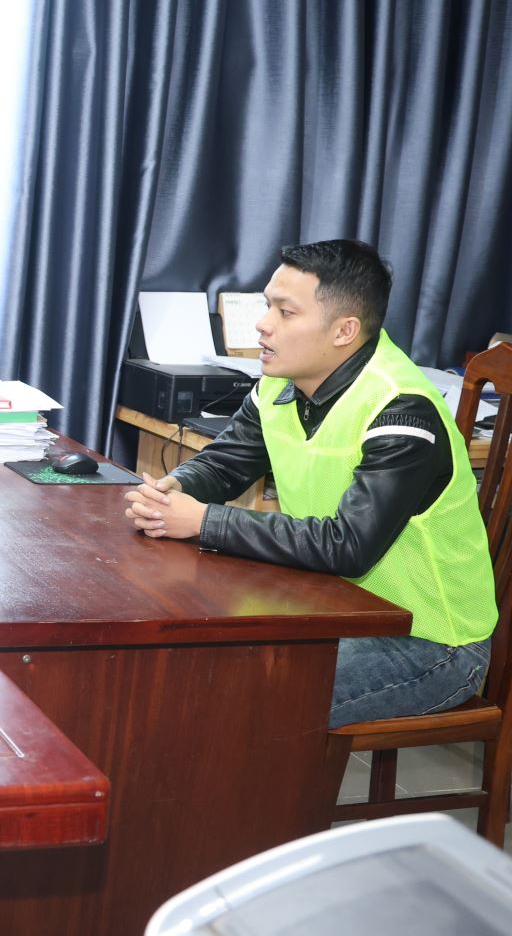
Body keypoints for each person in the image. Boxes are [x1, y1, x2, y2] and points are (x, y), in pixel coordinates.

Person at [122, 239, 497, 728]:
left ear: (344, 331)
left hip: (432, 642)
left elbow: (349, 546)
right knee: (189, 662)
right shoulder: (280, 382)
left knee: (234, 703)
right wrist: (173, 490)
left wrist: (204, 520)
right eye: (267, 306)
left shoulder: (402, 411)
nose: (263, 324)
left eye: (286, 312)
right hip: (332, 606)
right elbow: (225, 464)